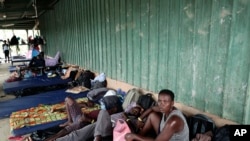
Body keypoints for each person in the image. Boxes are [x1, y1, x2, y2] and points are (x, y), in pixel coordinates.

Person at [54, 90, 123, 141]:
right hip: (82, 118)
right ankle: (69, 122)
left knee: (69, 132)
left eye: (104, 105)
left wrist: (88, 120)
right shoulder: (104, 113)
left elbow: (97, 125)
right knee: (68, 99)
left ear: (114, 109)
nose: (102, 107)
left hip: (83, 122)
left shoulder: (107, 116)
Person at [125, 89, 189, 141]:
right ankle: (139, 134)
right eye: (159, 101)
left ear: (172, 103)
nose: (161, 104)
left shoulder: (174, 121)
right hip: (164, 135)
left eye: (165, 101)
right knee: (152, 116)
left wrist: (134, 136)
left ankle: (136, 137)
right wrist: (140, 119)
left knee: (133, 136)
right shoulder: (165, 108)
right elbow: (152, 108)